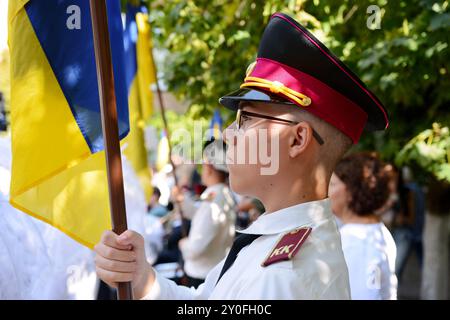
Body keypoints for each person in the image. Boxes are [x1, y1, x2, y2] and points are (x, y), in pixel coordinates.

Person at [93, 12, 389, 299]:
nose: (228, 134)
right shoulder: (274, 242)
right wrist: (142, 278)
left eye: (246, 119)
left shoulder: (284, 276)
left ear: (298, 139)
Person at [329, 152, 398, 300]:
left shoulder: (357, 241)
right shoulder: (372, 230)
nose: (326, 191)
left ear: (352, 192)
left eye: (332, 184)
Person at [171, 139, 237, 288]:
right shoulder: (222, 194)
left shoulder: (214, 199)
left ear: (209, 166)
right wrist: (181, 201)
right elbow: (200, 215)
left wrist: (184, 244)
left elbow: (195, 248)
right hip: (212, 273)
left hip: (202, 277)